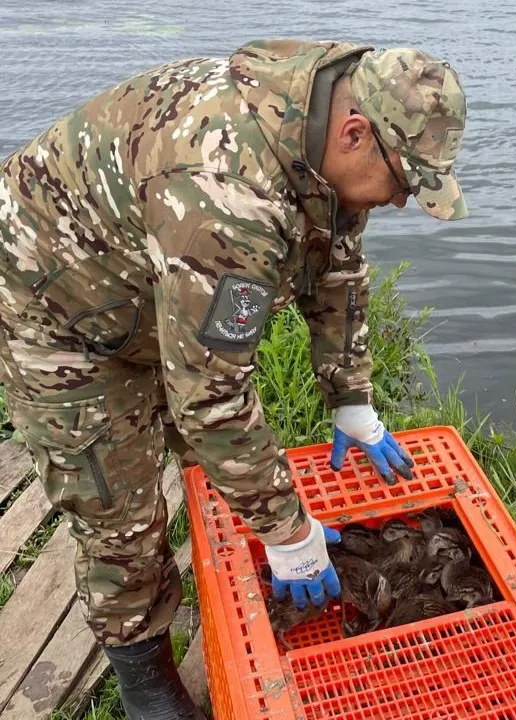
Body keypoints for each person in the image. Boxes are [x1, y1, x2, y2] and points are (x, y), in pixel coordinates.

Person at [0, 38, 468, 719]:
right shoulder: (230, 202)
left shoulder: (326, 114)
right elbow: (211, 399)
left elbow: (337, 264)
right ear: (355, 134)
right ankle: (146, 677)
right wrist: (288, 530)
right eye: (403, 180)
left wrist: (352, 397)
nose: (400, 201)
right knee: (117, 511)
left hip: (158, 265)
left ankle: (224, 564)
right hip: (53, 297)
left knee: (210, 453)